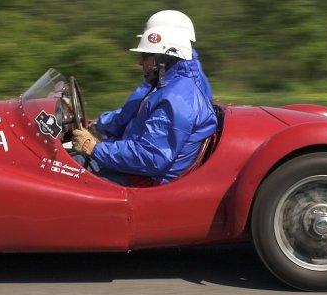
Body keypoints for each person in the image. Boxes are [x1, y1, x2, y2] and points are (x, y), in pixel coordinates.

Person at [70, 18, 218, 185]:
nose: (140, 62)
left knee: (61, 169)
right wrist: (98, 128)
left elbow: (151, 156)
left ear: (162, 59)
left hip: (142, 180)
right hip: (139, 171)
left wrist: (94, 148)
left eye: (145, 56)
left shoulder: (175, 98)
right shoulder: (171, 87)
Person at [92, 10, 212, 142]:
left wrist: (98, 127)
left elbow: (129, 115)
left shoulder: (174, 90)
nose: (139, 62)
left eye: (145, 55)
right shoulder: (191, 75)